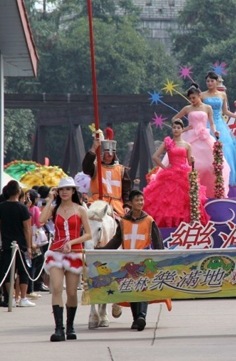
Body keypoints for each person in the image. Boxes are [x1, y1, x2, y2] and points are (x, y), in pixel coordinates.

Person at [100, 189, 164, 331]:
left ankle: (141, 316)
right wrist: (99, 251)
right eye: (137, 200)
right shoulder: (123, 222)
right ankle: (136, 319)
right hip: (128, 262)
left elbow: (158, 242)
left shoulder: (149, 220)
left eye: (142, 200)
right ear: (130, 202)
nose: (140, 202)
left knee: (142, 287)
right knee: (132, 289)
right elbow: (115, 242)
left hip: (144, 261)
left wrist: (161, 258)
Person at [39, 177, 92, 342]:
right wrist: (50, 201)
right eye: (61, 189)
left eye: (68, 189)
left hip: (75, 253)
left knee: (71, 292)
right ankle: (59, 329)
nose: (64, 192)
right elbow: (41, 221)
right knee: (56, 288)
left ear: (73, 191)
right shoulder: (54, 209)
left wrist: (72, 242)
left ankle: (70, 326)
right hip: (56, 252)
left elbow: (88, 234)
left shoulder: (80, 209)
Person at [144, 119, 209, 227]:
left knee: (185, 200)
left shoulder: (187, 145)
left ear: (182, 130)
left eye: (178, 128)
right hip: (170, 173)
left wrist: (192, 161)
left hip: (184, 173)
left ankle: (185, 225)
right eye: (174, 127)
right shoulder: (168, 142)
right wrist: (164, 167)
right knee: (167, 201)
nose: (176, 130)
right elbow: (155, 156)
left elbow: (189, 161)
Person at [173, 83, 231, 198]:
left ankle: (211, 192)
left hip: (205, 136)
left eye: (194, 97)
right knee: (190, 166)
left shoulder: (207, 107)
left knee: (211, 165)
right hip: (190, 137)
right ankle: (188, 193)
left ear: (199, 95)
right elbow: (174, 118)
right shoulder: (187, 108)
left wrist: (215, 131)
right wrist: (183, 129)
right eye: (190, 98)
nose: (192, 100)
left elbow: (212, 122)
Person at [202, 71, 236, 186]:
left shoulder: (222, 95)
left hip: (220, 124)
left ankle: (227, 179)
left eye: (211, 81)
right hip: (208, 125)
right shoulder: (202, 95)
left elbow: (225, 111)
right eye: (207, 81)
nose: (209, 83)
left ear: (217, 82)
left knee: (227, 149)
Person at [82, 132, 132, 217]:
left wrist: (127, 205)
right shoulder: (95, 167)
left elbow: (126, 191)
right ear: (102, 153)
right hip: (97, 202)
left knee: (126, 224)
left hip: (116, 205)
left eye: (112, 152)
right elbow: (86, 168)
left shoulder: (121, 170)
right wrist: (94, 148)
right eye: (107, 151)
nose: (110, 154)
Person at [0, 181, 33, 308]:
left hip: (7, 243)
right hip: (21, 244)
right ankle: (23, 298)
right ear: (19, 192)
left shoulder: (1, 206)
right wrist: (29, 246)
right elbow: (27, 229)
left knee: (7, 272)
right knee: (23, 271)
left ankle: (11, 297)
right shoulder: (22, 208)